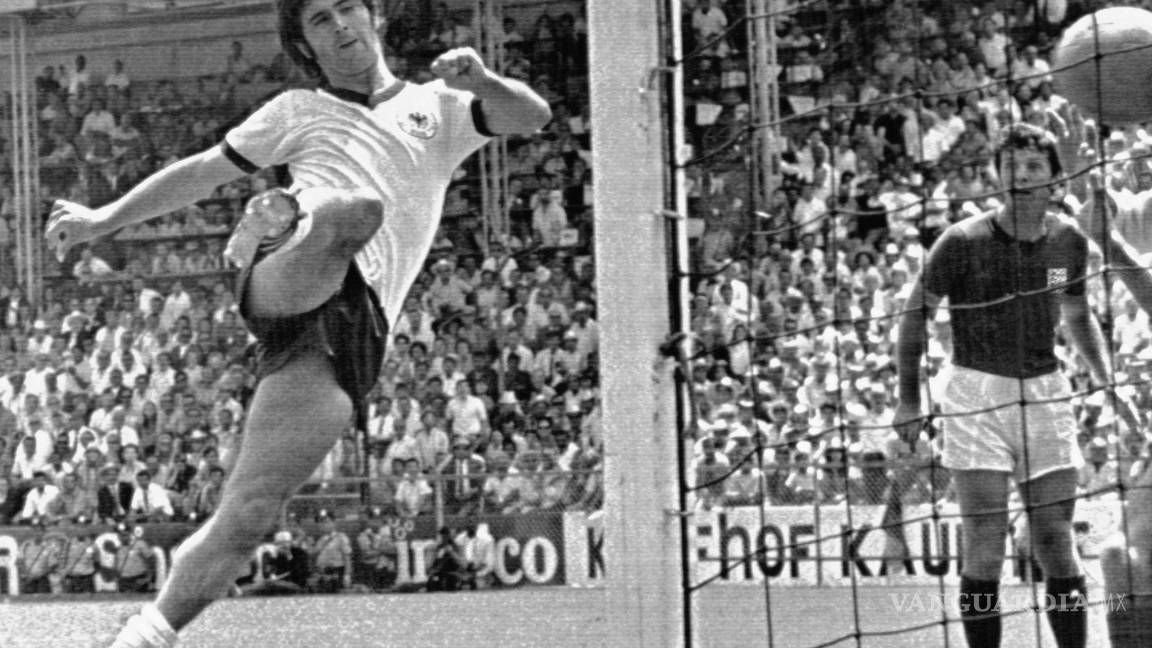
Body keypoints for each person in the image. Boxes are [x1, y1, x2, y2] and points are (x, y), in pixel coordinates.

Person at [45, 0, 548, 644]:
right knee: (354, 211)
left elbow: (531, 117)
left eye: (347, 9)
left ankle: (143, 636)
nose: (338, 26)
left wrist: (479, 80)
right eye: (319, 21)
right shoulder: (296, 111)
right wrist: (101, 220)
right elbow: (200, 170)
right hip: (290, 277)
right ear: (306, 46)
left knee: (248, 515)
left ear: (375, 19)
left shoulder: (441, 106)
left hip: (352, 330)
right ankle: (278, 222)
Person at [894, 124, 1124, 648]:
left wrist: (1106, 381)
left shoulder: (1067, 242)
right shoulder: (961, 241)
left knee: (1054, 542)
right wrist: (909, 399)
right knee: (986, 544)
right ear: (997, 177)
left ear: (1053, 178)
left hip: (1045, 395)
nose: (1021, 176)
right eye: (1012, 166)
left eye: (1034, 167)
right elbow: (913, 319)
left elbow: (1075, 314)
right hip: (976, 397)